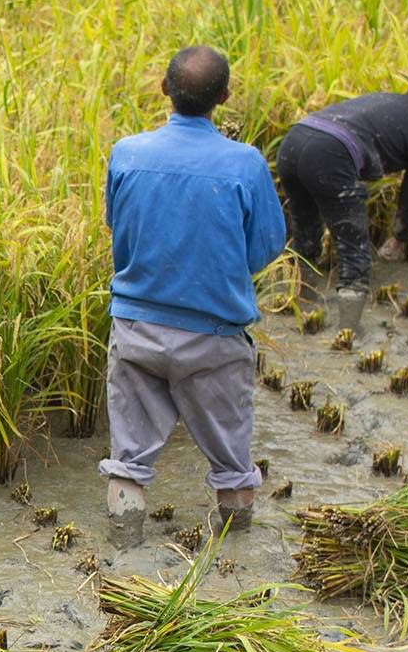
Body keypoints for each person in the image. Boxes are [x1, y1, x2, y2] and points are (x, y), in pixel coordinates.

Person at [100, 45, 286, 547]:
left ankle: (122, 564)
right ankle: (235, 570)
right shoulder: (245, 163)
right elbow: (267, 245)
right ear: (224, 97)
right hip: (214, 339)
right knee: (232, 466)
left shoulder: (128, 153)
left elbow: (119, 226)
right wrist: (220, 269)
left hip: (136, 331)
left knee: (128, 461)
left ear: (165, 88)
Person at [277, 65, 408, 334]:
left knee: (306, 235)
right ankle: (348, 333)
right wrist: (400, 238)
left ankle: (299, 307)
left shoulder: (388, 100)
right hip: (330, 155)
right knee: (353, 252)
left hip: (293, 142)